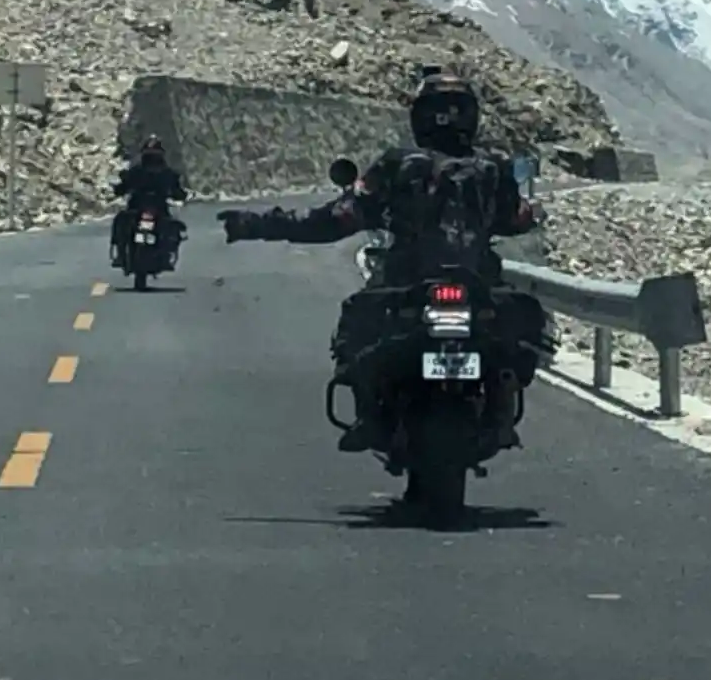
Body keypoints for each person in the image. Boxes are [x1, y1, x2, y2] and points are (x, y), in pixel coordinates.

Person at [216, 72, 543, 454]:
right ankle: (500, 412)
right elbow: (518, 218)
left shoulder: (398, 164)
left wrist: (258, 224)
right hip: (477, 283)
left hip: (405, 281)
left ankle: (370, 416)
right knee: (522, 329)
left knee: (356, 328)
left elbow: (336, 218)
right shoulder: (494, 169)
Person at [111, 135, 189, 268]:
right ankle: (122, 252)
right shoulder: (145, 172)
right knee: (121, 223)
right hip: (140, 209)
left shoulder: (160, 173)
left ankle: (162, 254)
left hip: (149, 209)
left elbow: (177, 191)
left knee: (171, 228)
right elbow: (123, 186)